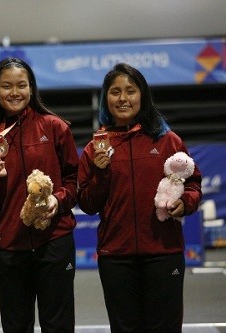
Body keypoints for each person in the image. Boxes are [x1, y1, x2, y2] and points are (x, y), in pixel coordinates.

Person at [77, 63, 202, 332]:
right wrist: (100, 173)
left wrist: (185, 203)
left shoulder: (168, 141)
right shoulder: (95, 148)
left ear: (142, 95)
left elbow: (193, 184)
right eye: (115, 92)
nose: (123, 98)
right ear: (105, 98)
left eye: (131, 91)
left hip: (163, 253)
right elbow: (87, 204)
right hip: (116, 257)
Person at [0, 57, 79, 333]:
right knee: (16, 326)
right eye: (6, 86)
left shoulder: (55, 127)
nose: (14, 92)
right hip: (11, 246)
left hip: (54, 241)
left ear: (32, 89)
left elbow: (75, 181)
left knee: (59, 325)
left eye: (21, 85)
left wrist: (59, 199)